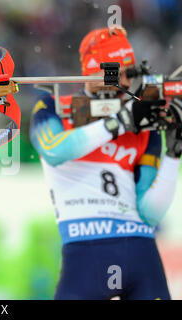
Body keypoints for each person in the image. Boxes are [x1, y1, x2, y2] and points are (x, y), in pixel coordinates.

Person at [30, 26, 182, 300]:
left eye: (129, 72)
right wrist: (120, 122)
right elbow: (53, 149)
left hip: (140, 251)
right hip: (84, 252)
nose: (124, 81)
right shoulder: (53, 105)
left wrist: (173, 153)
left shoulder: (142, 124)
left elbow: (150, 214)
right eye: (115, 71)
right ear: (91, 70)